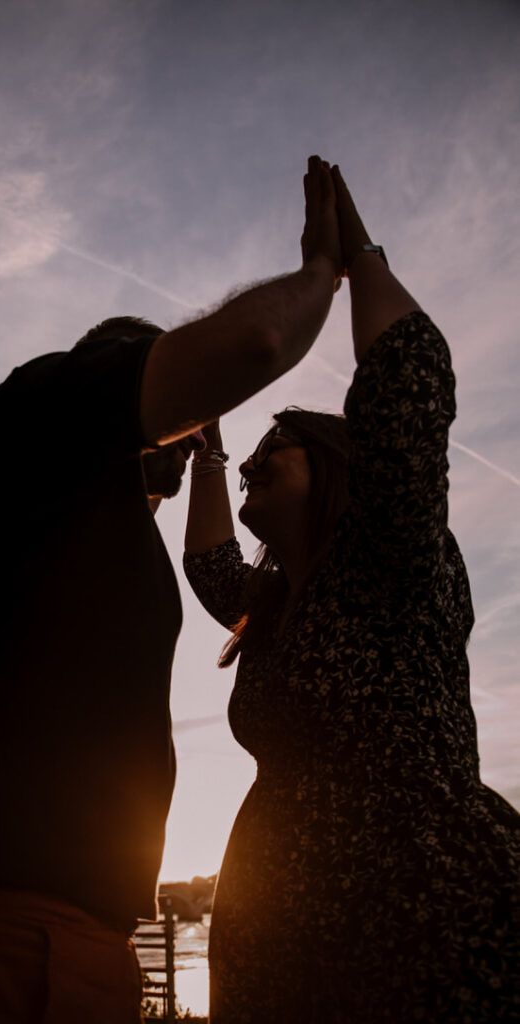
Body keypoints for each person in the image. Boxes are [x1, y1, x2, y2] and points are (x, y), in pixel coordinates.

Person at [0, 159, 347, 1024]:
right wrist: (321, 275)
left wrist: (209, 448)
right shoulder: (46, 403)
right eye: (183, 428)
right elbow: (250, 348)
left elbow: (213, 558)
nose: (191, 451)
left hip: (51, 940)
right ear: (120, 375)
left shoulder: (88, 517)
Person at [184, 159, 520, 1022]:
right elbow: (211, 564)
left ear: (337, 468)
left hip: (420, 932)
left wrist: (348, 262)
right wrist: (210, 449)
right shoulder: (276, 608)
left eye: (274, 450)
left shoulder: (393, 561)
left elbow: (407, 378)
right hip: (284, 956)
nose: (256, 462)